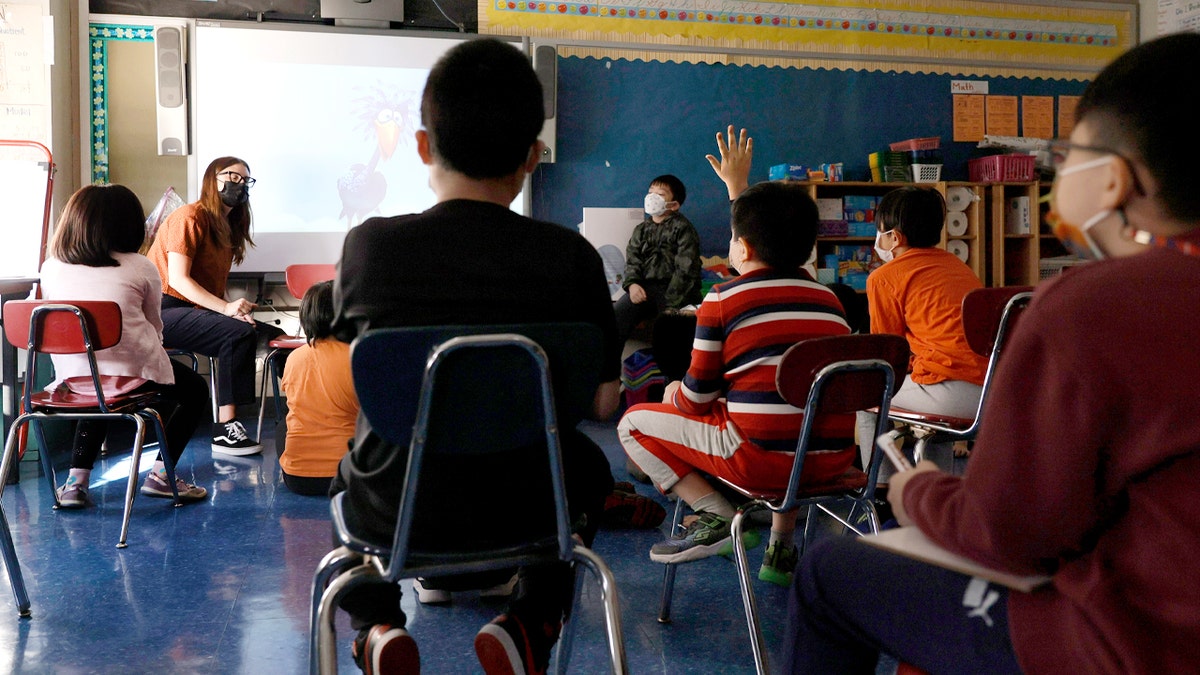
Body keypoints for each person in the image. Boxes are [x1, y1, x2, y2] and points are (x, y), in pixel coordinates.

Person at [784, 33, 1200, 674]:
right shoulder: (958, 262)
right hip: (985, 393)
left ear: (1114, 176)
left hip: (1137, 646)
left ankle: (872, 485)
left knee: (829, 572)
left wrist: (921, 493)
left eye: (1071, 157)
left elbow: (1008, 537)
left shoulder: (1089, 304)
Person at [328, 38, 620, 675]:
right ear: (533, 157)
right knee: (591, 469)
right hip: (536, 503)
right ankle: (532, 618)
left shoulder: (370, 248)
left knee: (350, 463)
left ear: (425, 146)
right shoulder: (573, 258)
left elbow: (370, 375)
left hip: (399, 505)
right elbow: (602, 402)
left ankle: (375, 624)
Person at [618, 126, 854, 588]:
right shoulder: (830, 301)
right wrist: (736, 189)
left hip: (759, 462)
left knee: (632, 424)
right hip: (832, 463)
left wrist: (674, 394)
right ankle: (780, 549)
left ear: (742, 248)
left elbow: (697, 401)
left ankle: (719, 519)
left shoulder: (723, 298)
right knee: (788, 413)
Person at [38, 184, 210, 507]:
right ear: (129, 226)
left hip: (72, 379)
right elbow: (156, 330)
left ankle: (75, 482)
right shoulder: (141, 267)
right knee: (195, 389)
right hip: (131, 376)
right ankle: (161, 475)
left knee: (97, 384)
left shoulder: (51, 268)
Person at [854, 185, 987, 514]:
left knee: (866, 394)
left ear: (894, 238)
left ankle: (879, 488)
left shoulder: (885, 277)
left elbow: (885, 358)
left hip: (951, 396)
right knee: (930, 424)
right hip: (992, 398)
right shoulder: (958, 267)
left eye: (879, 232)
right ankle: (936, 493)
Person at [145, 155, 269, 456]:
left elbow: (208, 288)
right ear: (212, 180)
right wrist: (227, 309)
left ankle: (309, 415)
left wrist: (232, 311)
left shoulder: (226, 227)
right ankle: (226, 428)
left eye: (245, 180)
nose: (239, 185)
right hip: (162, 311)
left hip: (192, 311)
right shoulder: (189, 217)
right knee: (237, 333)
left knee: (268, 336)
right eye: (232, 177)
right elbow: (178, 280)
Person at [276, 281, 357, 496]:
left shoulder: (294, 357)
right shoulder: (357, 357)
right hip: (348, 477)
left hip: (297, 480)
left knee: (284, 424)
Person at [613, 174, 702, 343]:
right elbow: (633, 259)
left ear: (674, 204)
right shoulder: (641, 229)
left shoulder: (683, 229)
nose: (652, 197)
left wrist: (671, 303)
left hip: (677, 291)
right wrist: (632, 284)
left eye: (660, 194)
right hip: (645, 288)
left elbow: (686, 268)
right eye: (650, 192)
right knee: (616, 319)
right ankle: (610, 367)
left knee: (670, 330)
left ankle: (671, 367)